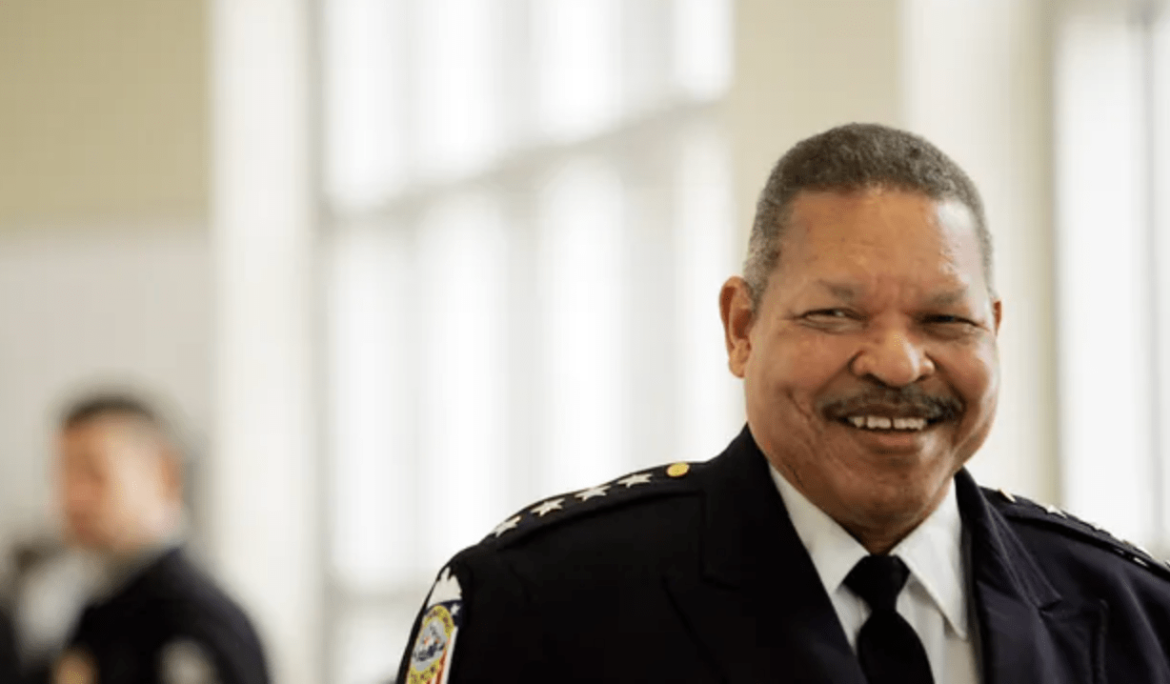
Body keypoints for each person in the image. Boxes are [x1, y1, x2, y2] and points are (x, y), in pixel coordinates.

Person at [395, 123, 1170, 683]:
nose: (898, 363)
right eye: (835, 314)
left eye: (945, 320)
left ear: (994, 330)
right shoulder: (542, 606)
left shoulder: (1139, 616)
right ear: (742, 328)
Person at [53, 393, 269, 684]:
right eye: (64, 474)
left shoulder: (195, 622)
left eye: (94, 474)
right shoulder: (102, 606)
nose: (73, 498)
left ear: (165, 474)